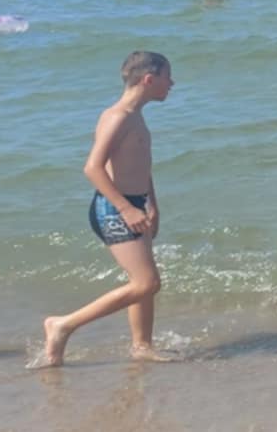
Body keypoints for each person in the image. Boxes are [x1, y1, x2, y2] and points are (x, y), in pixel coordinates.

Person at [31, 51, 177, 368]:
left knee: (142, 283)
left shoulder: (135, 116)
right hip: (114, 208)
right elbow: (93, 168)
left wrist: (151, 204)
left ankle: (142, 346)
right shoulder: (117, 117)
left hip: (135, 205)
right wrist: (126, 209)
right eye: (168, 76)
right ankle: (62, 325)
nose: (172, 83)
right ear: (148, 79)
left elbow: (141, 165)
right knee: (147, 283)